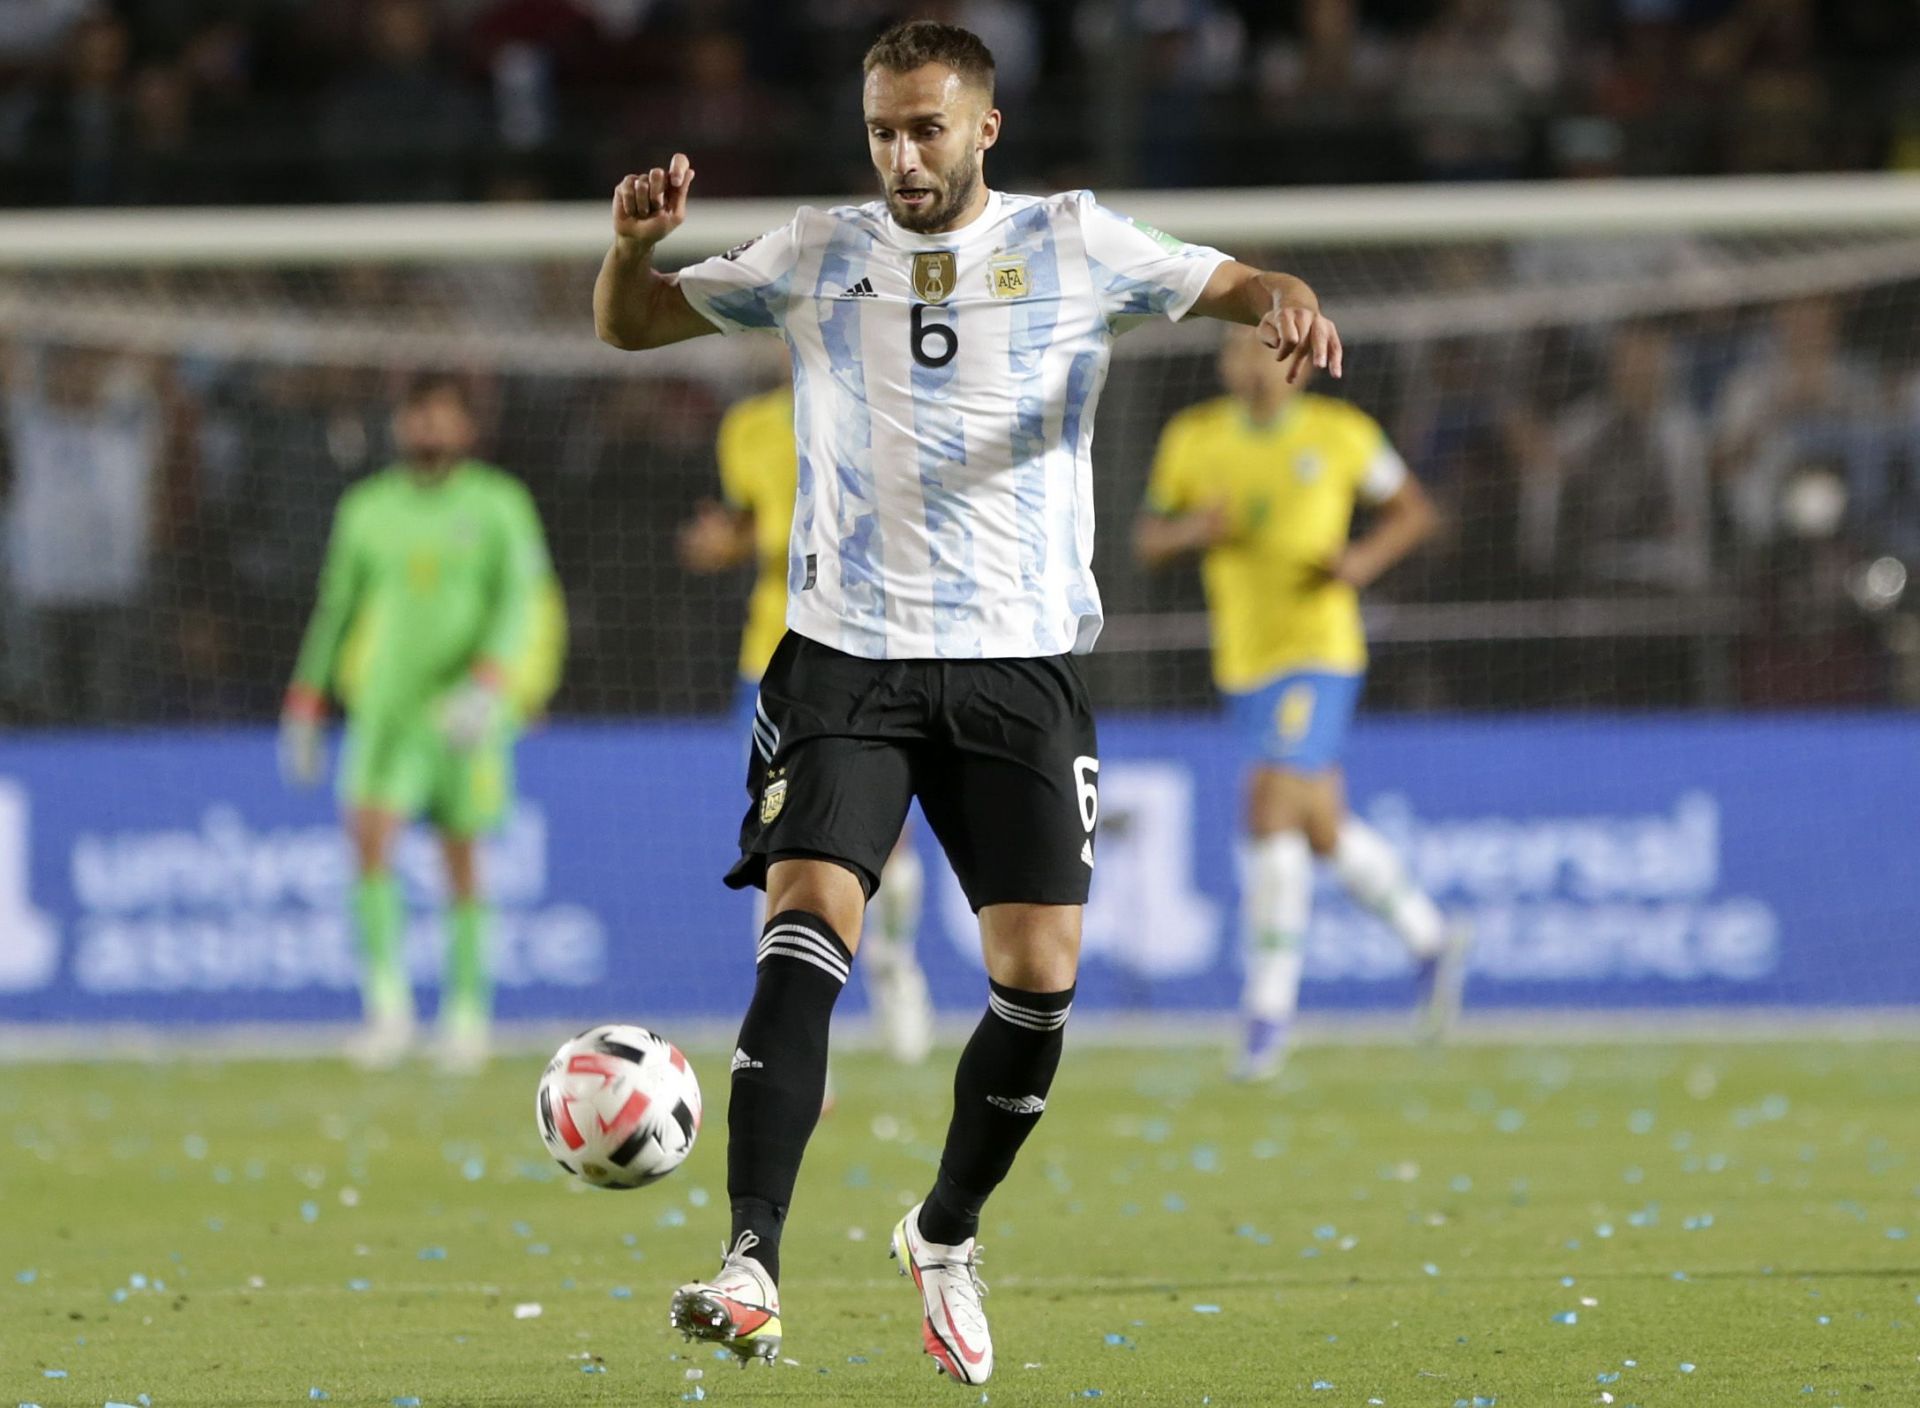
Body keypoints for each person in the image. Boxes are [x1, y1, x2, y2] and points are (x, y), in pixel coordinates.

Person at [592, 19, 1342, 1384]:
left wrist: (1285, 292)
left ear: (984, 126)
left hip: (1019, 662)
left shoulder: (1074, 241)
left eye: (927, 127)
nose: (902, 155)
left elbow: (1237, 283)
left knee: (1039, 980)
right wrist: (633, 245)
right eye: (883, 128)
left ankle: (944, 1232)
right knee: (807, 919)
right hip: (846, 653)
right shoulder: (817, 253)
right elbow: (631, 325)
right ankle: (751, 1261)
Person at [1135, 326, 1467, 1082]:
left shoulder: (1342, 434)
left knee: (1268, 807)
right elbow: (1148, 541)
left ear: (1299, 366)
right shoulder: (1194, 438)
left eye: (1262, 350)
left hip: (1320, 653)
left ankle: (1267, 1014)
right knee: (1319, 825)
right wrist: (1195, 531)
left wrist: (1360, 562)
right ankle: (1429, 937)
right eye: (1236, 350)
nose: (1248, 363)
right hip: (1244, 661)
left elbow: (1414, 510)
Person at [279, 375, 563, 1075]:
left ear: (465, 429)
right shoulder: (368, 509)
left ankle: (467, 1015)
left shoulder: (499, 504)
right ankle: (389, 1011)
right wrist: (307, 697)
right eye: (418, 417)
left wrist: (493, 681)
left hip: (465, 712)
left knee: (462, 860)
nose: (428, 429)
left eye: (442, 417)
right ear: (401, 425)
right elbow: (336, 607)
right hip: (385, 710)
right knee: (369, 846)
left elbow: (521, 601)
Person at [677, 373, 935, 1066]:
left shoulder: (879, 406)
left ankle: (894, 966)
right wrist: (722, 544)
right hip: (771, 657)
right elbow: (744, 526)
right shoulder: (747, 427)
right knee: (776, 832)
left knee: (891, 835)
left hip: (864, 646)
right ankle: (782, 1009)